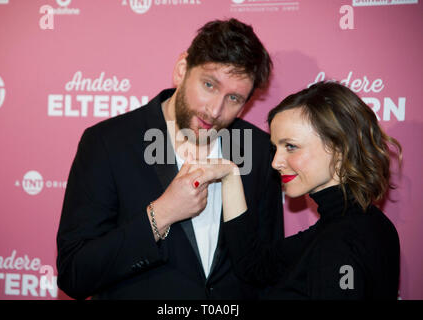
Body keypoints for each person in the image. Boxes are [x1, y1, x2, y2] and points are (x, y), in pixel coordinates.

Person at [56, 18, 284, 300]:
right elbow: (75, 274)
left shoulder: (258, 150)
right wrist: (160, 215)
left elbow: (268, 269)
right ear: (182, 69)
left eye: (234, 98)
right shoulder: (108, 143)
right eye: (210, 85)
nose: (215, 110)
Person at [197, 81, 401, 299]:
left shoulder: (339, 241)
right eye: (275, 149)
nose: (275, 162)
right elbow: (255, 265)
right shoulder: (359, 223)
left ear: (340, 149)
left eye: (291, 147)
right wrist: (230, 176)